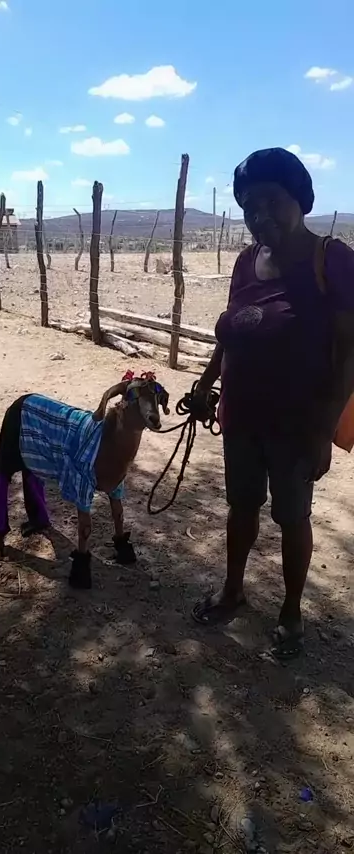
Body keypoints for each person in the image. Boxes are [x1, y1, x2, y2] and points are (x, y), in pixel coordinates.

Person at [192, 147, 354, 659]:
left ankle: (291, 612)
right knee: (241, 507)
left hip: (297, 425)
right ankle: (233, 590)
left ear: (299, 199)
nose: (260, 215)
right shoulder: (246, 261)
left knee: (292, 517)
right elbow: (231, 332)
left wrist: (323, 432)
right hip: (240, 416)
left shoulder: (332, 259)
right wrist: (205, 384)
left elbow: (349, 352)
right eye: (248, 206)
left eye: (271, 201)